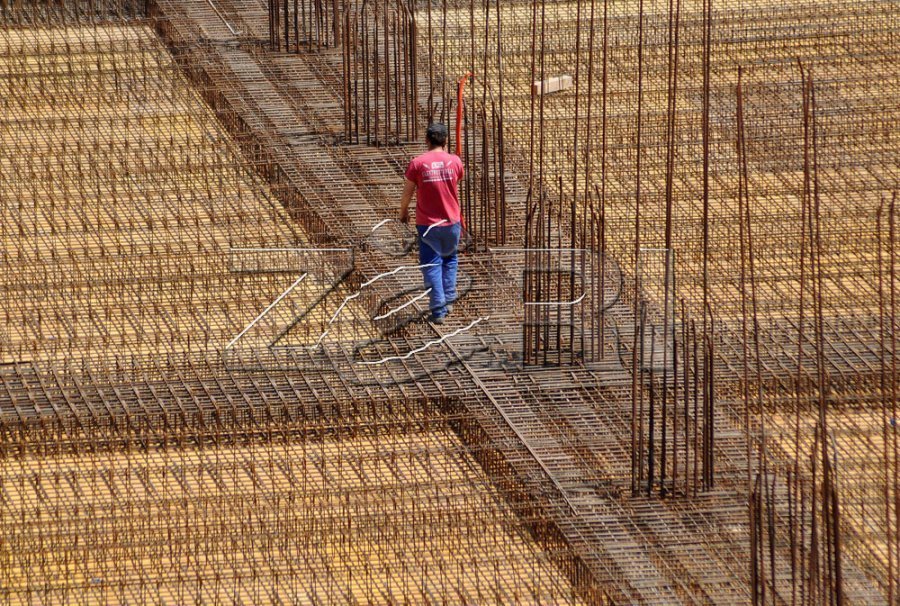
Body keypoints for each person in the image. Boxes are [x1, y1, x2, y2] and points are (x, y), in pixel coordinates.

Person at [399, 123, 464, 325]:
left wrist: (403, 212)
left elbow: (408, 192)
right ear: (445, 141)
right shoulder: (455, 161)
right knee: (450, 260)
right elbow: (455, 183)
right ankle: (448, 299)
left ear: (427, 140)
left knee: (432, 264)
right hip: (452, 222)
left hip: (428, 224)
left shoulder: (418, 163)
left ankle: (438, 308)